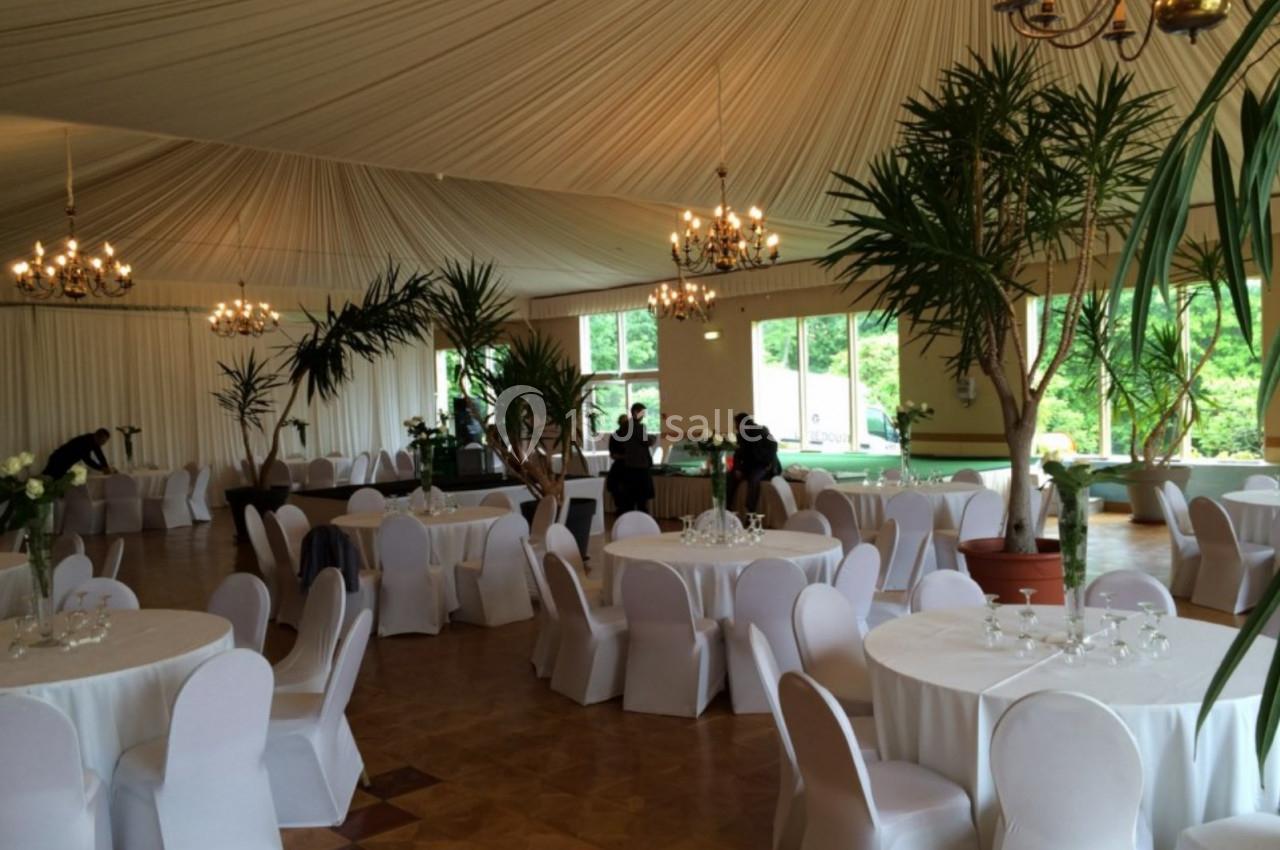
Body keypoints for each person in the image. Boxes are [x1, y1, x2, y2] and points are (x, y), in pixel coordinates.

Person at [727, 412, 780, 514]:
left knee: (754, 480)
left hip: (762, 465)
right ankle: (727, 508)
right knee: (730, 477)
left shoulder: (761, 431)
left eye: (736, 424)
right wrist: (737, 468)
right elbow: (737, 454)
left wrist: (768, 462)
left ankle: (750, 511)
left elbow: (774, 446)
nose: (736, 427)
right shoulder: (740, 436)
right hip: (747, 466)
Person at [616, 403, 656, 514]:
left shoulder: (625, 427)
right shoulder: (638, 427)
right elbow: (647, 441)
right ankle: (642, 519)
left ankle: (630, 518)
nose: (643, 416)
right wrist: (653, 437)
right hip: (640, 465)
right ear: (635, 412)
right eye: (642, 413)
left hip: (629, 464)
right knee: (642, 496)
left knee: (630, 496)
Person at [43, 428, 114, 479]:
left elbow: (100, 455)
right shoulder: (85, 441)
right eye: (103, 441)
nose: (104, 443)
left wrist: (106, 467)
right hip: (58, 460)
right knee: (48, 478)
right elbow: (88, 460)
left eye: (105, 441)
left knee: (51, 480)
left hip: (64, 461)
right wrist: (102, 469)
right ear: (97, 436)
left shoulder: (94, 441)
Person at [605, 414, 630, 511]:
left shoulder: (630, 435)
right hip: (622, 464)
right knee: (613, 483)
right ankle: (620, 506)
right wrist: (625, 457)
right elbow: (613, 454)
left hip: (626, 464)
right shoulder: (615, 435)